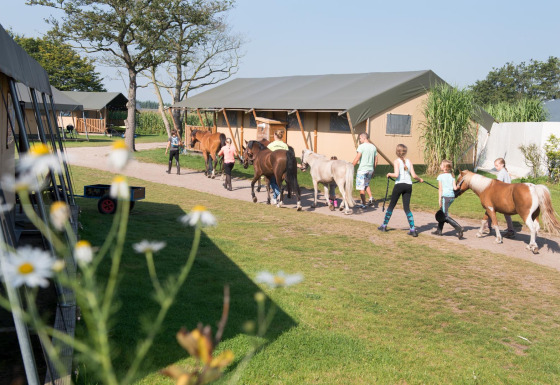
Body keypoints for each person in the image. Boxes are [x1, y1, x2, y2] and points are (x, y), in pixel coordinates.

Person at [378, 144, 423, 237]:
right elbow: (414, 176)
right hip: (408, 186)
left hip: (399, 185)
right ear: (405, 152)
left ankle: (384, 225)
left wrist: (389, 174)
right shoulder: (409, 161)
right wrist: (420, 179)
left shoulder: (396, 161)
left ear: (397, 152)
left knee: (391, 206)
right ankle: (413, 229)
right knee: (407, 208)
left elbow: (396, 175)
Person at [483, 158, 515, 238]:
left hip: (501, 195)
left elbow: (498, 185)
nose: (496, 167)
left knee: (490, 209)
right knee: (507, 214)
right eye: (495, 166)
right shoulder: (506, 172)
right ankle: (510, 230)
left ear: (502, 164)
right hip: (507, 194)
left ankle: (488, 227)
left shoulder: (501, 173)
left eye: (497, 166)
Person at [432, 160, 463, 238]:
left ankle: (459, 228)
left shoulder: (440, 177)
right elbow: (455, 188)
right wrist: (459, 186)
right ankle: (439, 230)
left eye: (441, 165)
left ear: (445, 167)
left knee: (445, 216)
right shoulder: (452, 176)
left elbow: (440, 189)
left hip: (445, 197)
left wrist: (439, 200)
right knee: (443, 212)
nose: (440, 166)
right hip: (451, 197)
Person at [352, 132, 378, 208]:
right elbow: (376, 160)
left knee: (361, 187)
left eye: (360, 138)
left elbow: (357, 158)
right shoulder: (373, 147)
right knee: (366, 184)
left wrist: (351, 166)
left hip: (362, 169)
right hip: (370, 169)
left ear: (364, 138)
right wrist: (373, 170)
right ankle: (370, 198)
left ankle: (364, 203)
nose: (359, 140)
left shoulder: (361, 147)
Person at [267, 130, 289, 204]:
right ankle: (274, 198)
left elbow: (266, 157)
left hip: (272, 168)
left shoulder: (270, 145)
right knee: (278, 182)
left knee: (271, 182)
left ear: (275, 136)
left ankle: (279, 192)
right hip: (283, 168)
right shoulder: (285, 145)